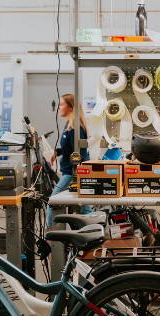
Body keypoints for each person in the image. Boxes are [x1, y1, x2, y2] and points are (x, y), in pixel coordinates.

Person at [47, 93, 90, 226]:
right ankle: (90, 232)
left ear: (70, 107)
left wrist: (75, 175)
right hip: (70, 171)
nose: (59, 107)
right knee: (84, 207)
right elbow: (70, 149)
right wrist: (57, 152)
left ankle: (51, 237)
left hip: (73, 173)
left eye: (61, 104)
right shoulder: (69, 126)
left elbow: (80, 154)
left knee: (53, 201)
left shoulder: (76, 128)